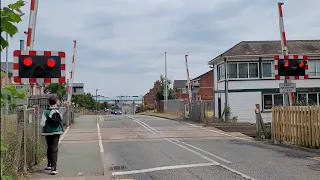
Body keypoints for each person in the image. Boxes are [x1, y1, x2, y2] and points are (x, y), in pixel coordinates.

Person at [40, 96, 64, 175]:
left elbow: (42, 123)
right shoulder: (59, 110)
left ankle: (49, 164)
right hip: (57, 131)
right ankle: (54, 168)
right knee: (54, 149)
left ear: (49, 103)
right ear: (56, 102)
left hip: (47, 132)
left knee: (49, 147)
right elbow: (61, 119)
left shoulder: (45, 111)